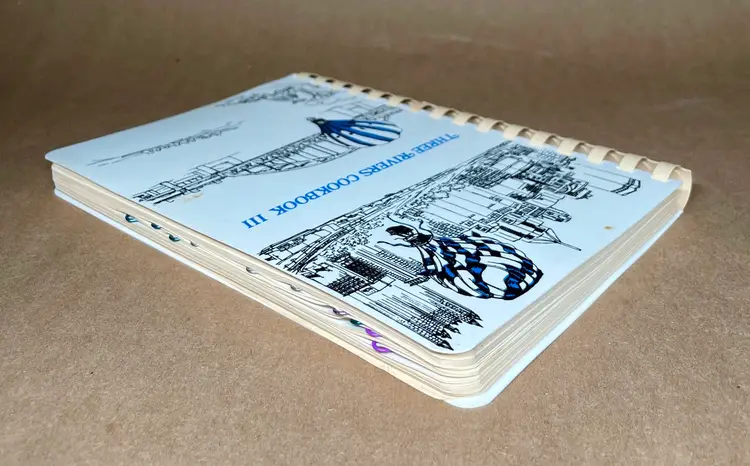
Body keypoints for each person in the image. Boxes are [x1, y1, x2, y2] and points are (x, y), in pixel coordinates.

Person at [382, 221, 542, 300]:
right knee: (474, 268)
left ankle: (517, 279)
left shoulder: (429, 243)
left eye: (403, 236)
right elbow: (430, 258)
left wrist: (429, 270)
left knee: (479, 264)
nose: (406, 238)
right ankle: (515, 281)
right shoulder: (426, 244)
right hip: (453, 253)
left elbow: (432, 257)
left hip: (456, 254)